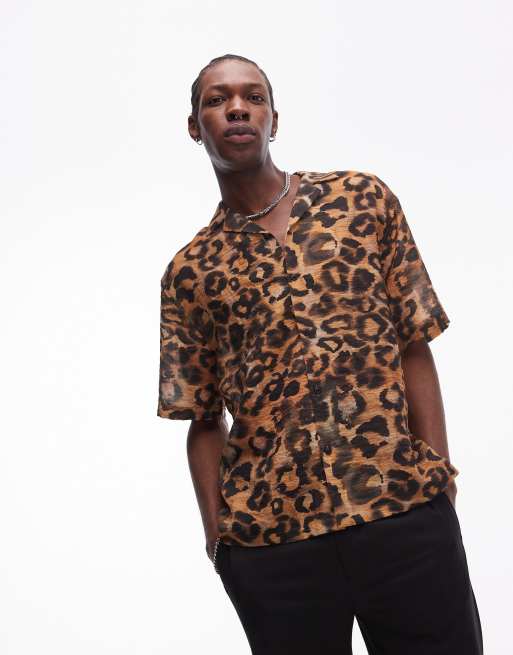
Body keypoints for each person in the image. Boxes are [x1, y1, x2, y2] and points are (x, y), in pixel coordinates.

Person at [157, 53, 483, 654]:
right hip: (275, 548)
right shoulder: (191, 271)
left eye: (253, 97)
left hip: (402, 513)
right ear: (194, 126)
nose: (236, 108)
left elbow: (413, 343)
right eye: (217, 100)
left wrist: (437, 476)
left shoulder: (362, 200)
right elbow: (202, 420)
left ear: (274, 119)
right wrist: (219, 540)